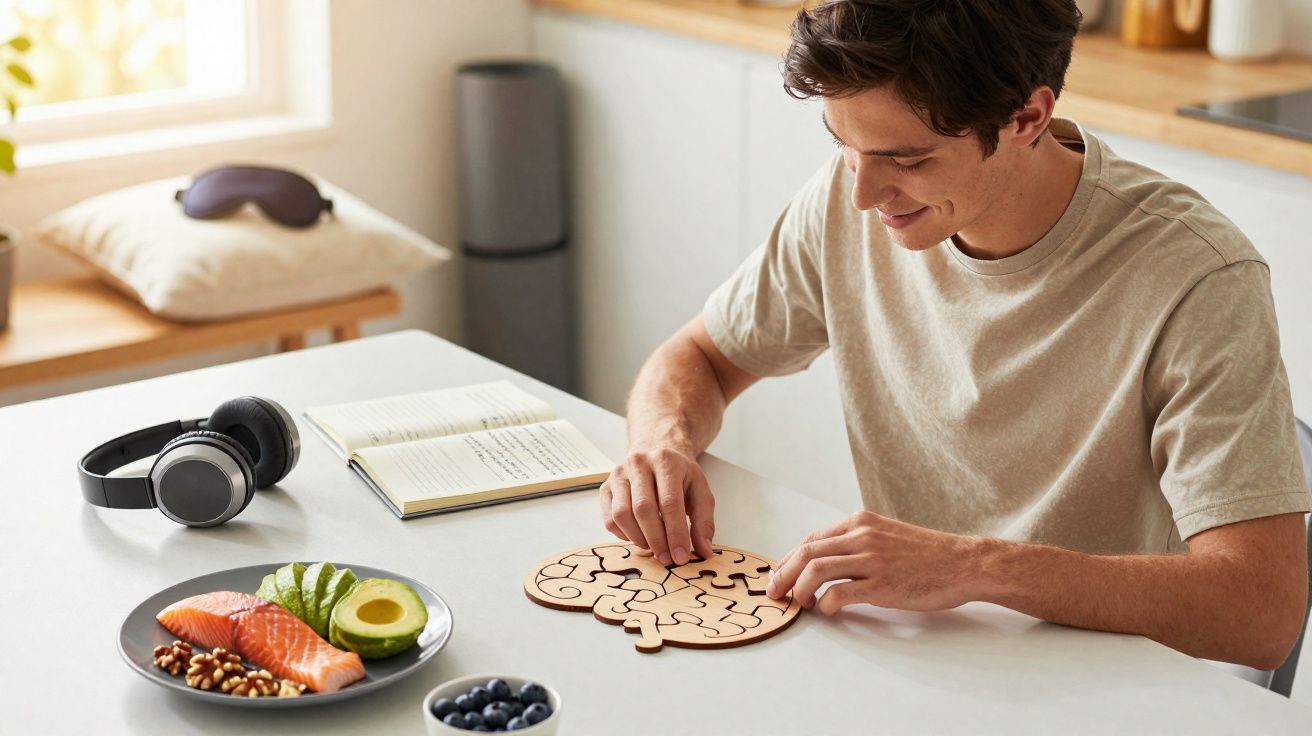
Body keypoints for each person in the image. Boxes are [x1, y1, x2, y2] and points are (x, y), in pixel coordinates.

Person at [596, 0, 1311, 670]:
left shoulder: (1197, 275)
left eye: (907, 160)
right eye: (844, 144)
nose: (862, 196)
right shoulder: (855, 202)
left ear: (1028, 116)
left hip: (1100, 688)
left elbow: (1261, 610)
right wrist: (661, 444)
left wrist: (977, 567)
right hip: (920, 661)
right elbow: (701, 357)